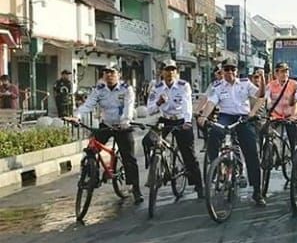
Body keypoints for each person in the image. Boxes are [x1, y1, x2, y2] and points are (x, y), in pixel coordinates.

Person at [70, 64, 142, 204]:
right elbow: (88, 104)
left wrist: (125, 121)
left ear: (118, 74)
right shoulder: (99, 89)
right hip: (106, 125)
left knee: (129, 159)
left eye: (112, 72)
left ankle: (135, 188)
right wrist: (77, 116)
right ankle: (92, 177)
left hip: (123, 126)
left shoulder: (126, 89)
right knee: (90, 149)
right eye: (106, 73)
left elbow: (129, 106)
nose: (109, 75)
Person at [198, 59, 266, 205]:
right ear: (222, 71)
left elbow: (261, 96)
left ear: (236, 71)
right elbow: (211, 102)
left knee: (251, 153)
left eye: (232, 69)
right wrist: (203, 116)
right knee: (213, 134)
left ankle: (257, 191)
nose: (230, 72)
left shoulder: (245, 83)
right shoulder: (218, 86)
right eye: (227, 69)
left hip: (243, 118)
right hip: (226, 117)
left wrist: (252, 113)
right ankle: (216, 166)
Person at [145, 60, 203, 198]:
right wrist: (159, 102)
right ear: (162, 72)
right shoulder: (156, 87)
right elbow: (149, 109)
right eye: (167, 70)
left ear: (177, 72)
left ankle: (198, 185)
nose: (170, 73)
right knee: (147, 141)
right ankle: (154, 168)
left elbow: (187, 105)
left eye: (172, 70)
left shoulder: (184, 86)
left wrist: (188, 122)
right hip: (165, 119)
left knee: (188, 154)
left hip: (182, 120)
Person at [265, 62, 297, 149]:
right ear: (276, 73)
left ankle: (294, 158)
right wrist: (269, 106)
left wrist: (293, 116)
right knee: (267, 136)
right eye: (282, 71)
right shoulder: (270, 85)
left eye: (286, 71)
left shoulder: (295, 85)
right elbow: (267, 99)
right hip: (275, 116)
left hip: (290, 117)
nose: (285, 74)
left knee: (294, 143)